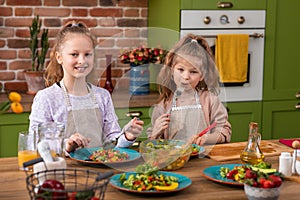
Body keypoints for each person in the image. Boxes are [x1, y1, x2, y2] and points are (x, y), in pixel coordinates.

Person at [29, 20, 144, 153]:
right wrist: (66, 145)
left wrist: (127, 136)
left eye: (87, 54)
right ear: (59, 57)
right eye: (74, 54)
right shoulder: (47, 98)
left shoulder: (102, 96)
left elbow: (112, 142)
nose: (82, 60)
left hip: (99, 169)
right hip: (63, 169)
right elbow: (34, 143)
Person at [147, 33, 231, 145]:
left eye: (193, 72)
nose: (186, 76)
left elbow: (224, 131)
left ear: (202, 76)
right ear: (172, 70)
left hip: (204, 159)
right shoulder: (163, 105)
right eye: (181, 69)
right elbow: (151, 145)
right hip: (174, 160)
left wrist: (207, 138)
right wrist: (155, 133)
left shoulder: (210, 100)